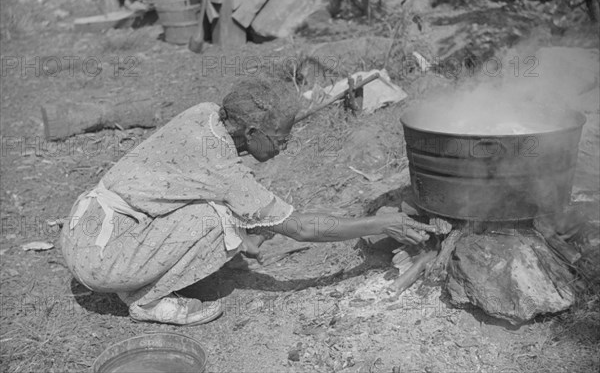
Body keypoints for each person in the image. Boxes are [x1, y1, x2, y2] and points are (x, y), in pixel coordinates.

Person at [60, 77, 437, 326]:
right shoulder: (224, 167)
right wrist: (381, 224)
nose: (287, 145)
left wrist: (249, 231)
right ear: (252, 131)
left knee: (227, 212)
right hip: (101, 258)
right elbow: (301, 228)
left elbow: (204, 189)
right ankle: (146, 300)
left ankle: (139, 274)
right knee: (214, 219)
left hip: (87, 227)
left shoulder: (206, 114)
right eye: (281, 137)